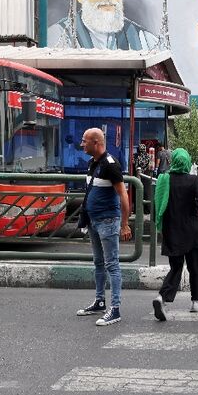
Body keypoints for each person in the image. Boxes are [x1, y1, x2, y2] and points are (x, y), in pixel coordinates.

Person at [76, 127, 133, 326]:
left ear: (96, 143)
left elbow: (123, 195)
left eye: (85, 141)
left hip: (108, 221)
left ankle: (115, 309)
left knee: (112, 265)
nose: (82, 144)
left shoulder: (110, 165)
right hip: (93, 220)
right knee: (98, 263)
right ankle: (100, 301)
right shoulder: (93, 162)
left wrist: (125, 224)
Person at [152, 148, 198, 321]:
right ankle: (195, 302)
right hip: (193, 232)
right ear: (187, 162)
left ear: (173, 161)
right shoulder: (193, 180)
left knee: (176, 267)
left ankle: (162, 298)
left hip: (171, 232)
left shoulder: (164, 179)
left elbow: (158, 205)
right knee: (197, 267)